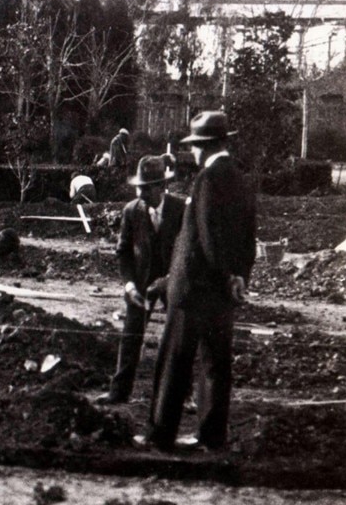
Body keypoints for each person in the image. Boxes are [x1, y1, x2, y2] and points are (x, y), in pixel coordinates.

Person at [135, 111, 256, 452]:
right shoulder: (241, 179)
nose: (193, 152)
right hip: (222, 291)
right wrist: (238, 277)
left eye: (195, 146)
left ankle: (160, 435)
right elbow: (248, 237)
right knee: (216, 363)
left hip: (192, 288)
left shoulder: (206, 179)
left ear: (206, 146)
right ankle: (211, 436)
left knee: (174, 361)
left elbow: (207, 235)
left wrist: (225, 273)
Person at [95, 155, 185, 405]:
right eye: (139, 187)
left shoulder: (181, 210)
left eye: (146, 188)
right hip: (141, 281)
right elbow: (123, 251)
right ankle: (119, 391)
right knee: (131, 335)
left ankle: (183, 394)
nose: (140, 193)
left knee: (179, 337)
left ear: (161, 187)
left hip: (174, 280)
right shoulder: (131, 211)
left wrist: (169, 280)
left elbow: (188, 253)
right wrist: (130, 285)